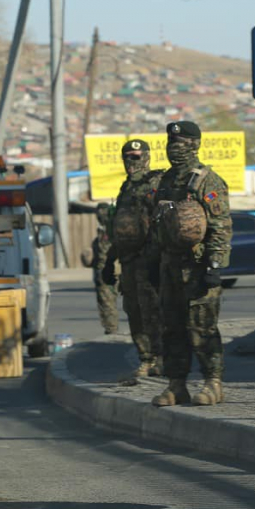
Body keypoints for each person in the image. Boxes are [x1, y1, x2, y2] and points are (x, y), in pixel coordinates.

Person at [149, 121, 232, 407]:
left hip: (198, 268)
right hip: (170, 266)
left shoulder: (207, 181)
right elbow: (157, 224)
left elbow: (221, 226)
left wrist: (215, 266)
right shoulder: (166, 181)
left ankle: (213, 383)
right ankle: (176, 384)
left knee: (202, 328)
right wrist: (152, 261)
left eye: (181, 143)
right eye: (171, 143)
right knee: (171, 327)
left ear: (195, 145)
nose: (174, 149)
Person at [103, 139, 165, 384]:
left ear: (147, 157)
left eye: (137, 157)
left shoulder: (156, 184)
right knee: (135, 311)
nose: (132, 162)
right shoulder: (126, 188)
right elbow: (119, 228)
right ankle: (146, 359)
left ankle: (162, 358)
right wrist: (110, 261)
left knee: (155, 311)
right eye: (128, 157)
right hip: (128, 261)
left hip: (150, 259)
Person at [89, 204, 120, 335]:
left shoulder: (109, 231)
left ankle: (111, 329)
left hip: (107, 269)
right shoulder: (108, 230)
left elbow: (103, 253)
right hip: (109, 268)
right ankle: (111, 328)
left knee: (107, 302)